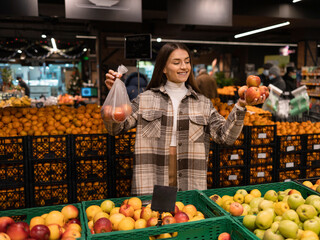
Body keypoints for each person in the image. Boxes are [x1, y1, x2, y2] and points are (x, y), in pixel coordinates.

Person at [104, 43, 265, 196]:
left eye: (187, 62)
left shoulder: (202, 103)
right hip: (152, 178)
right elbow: (115, 128)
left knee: (187, 219)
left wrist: (241, 105)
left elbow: (226, 137)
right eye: (176, 62)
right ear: (164, 68)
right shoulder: (145, 100)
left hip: (190, 177)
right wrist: (114, 96)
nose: (184, 67)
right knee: (156, 219)